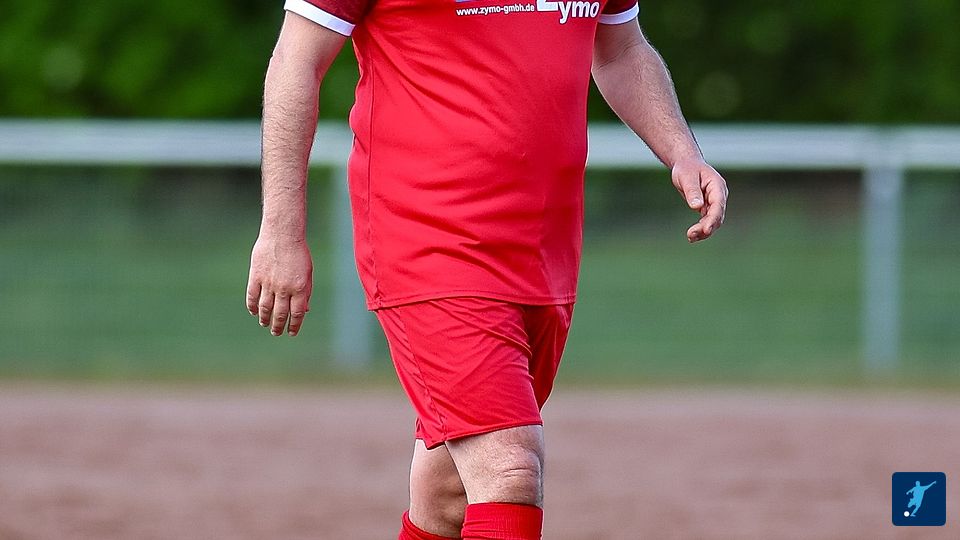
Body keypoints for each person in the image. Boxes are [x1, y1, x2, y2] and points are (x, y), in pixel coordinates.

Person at [245, 0, 728, 537]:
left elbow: (621, 50)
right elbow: (296, 60)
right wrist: (281, 231)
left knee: (448, 494)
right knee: (510, 467)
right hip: (428, 238)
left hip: (544, 248)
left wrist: (683, 151)